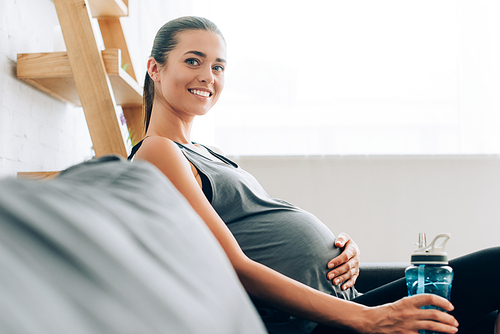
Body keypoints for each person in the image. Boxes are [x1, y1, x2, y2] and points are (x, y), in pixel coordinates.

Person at [129, 16, 500, 334]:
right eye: (193, 61)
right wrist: (368, 319)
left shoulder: (206, 154)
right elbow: (235, 267)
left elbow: (266, 240)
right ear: (155, 68)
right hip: (320, 323)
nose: (208, 76)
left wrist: (337, 254)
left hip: (345, 299)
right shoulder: (158, 150)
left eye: (218, 66)